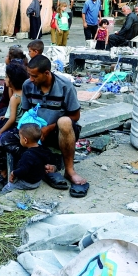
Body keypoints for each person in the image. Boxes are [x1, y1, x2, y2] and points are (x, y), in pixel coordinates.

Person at [22, 55, 88, 197]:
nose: (31, 79)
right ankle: (43, 168)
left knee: (64, 121)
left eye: (34, 76)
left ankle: (69, 171)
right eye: (29, 75)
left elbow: (75, 116)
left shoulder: (65, 86)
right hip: (37, 132)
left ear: (47, 73)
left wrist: (49, 128)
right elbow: (26, 113)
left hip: (59, 132)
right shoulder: (28, 85)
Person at [0, 61, 28, 183]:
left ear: (13, 80)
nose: (5, 79)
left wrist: (0, 132)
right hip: (14, 123)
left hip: (13, 127)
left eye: (7, 77)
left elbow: (13, 119)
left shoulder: (15, 97)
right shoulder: (22, 93)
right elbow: (15, 112)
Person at [3, 123, 59, 192]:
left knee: (7, 188)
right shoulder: (43, 149)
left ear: (25, 140)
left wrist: (13, 173)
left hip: (28, 183)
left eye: (20, 138)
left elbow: (23, 170)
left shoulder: (27, 155)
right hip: (37, 181)